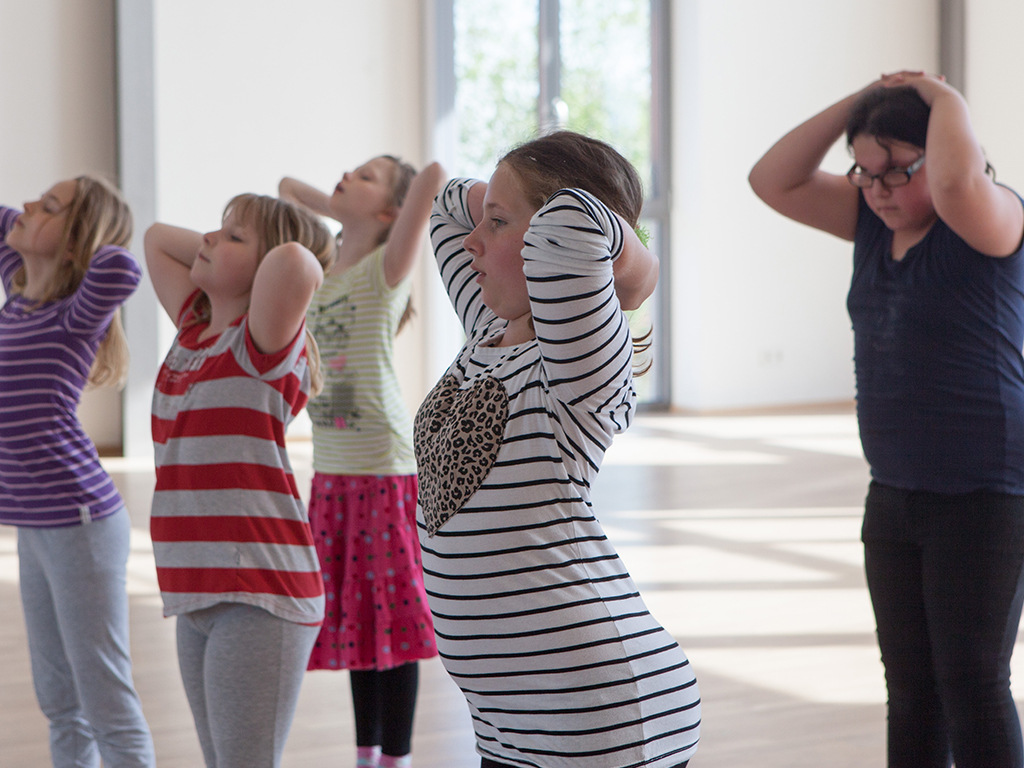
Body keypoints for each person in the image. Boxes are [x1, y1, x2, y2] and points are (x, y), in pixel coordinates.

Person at [749, 72, 1024, 767]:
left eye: (899, 171)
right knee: (911, 691)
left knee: (973, 685)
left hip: (986, 496)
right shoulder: (873, 224)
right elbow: (771, 179)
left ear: (945, 152)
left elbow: (958, 186)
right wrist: (864, 101)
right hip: (895, 493)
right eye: (865, 172)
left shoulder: (989, 218)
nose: (878, 188)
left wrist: (942, 95)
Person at [418, 131, 701, 768]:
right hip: (506, 717)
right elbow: (445, 205)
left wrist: (638, 273)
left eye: (497, 223)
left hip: (596, 716)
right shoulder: (489, 329)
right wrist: (501, 205)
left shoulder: (575, 365)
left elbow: (576, 218)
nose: (473, 241)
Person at [145, 193, 334, 768]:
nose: (207, 238)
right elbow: (154, 236)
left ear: (264, 265)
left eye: (233, 237)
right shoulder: (194, 332)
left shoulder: (263, 346)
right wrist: (230, 241)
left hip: (259, 592)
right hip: (196, 586)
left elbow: (298, 263)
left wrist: (271, 234)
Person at [278, 156, 445, 768]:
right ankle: (365, 753)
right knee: (357, 622)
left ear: (388, 213)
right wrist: (350, 211)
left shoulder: (384, 269)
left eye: (367, 174)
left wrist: (369, 216)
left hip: (382, 468)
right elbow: (285, 189)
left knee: (392, 626)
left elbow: (431, 176)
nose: (350, 171)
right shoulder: (320, 270)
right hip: (332, 471)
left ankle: (395, 758)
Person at [0, 176, 155, 767]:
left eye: (50, 205)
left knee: (106, 702)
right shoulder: (18, 299)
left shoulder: (74, 315)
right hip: (38, 524)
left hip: (80, 524)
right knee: (60, 701)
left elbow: (121, 267)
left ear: (74, 243)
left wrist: (88, 217)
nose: (29, 204)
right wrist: (50, 219)